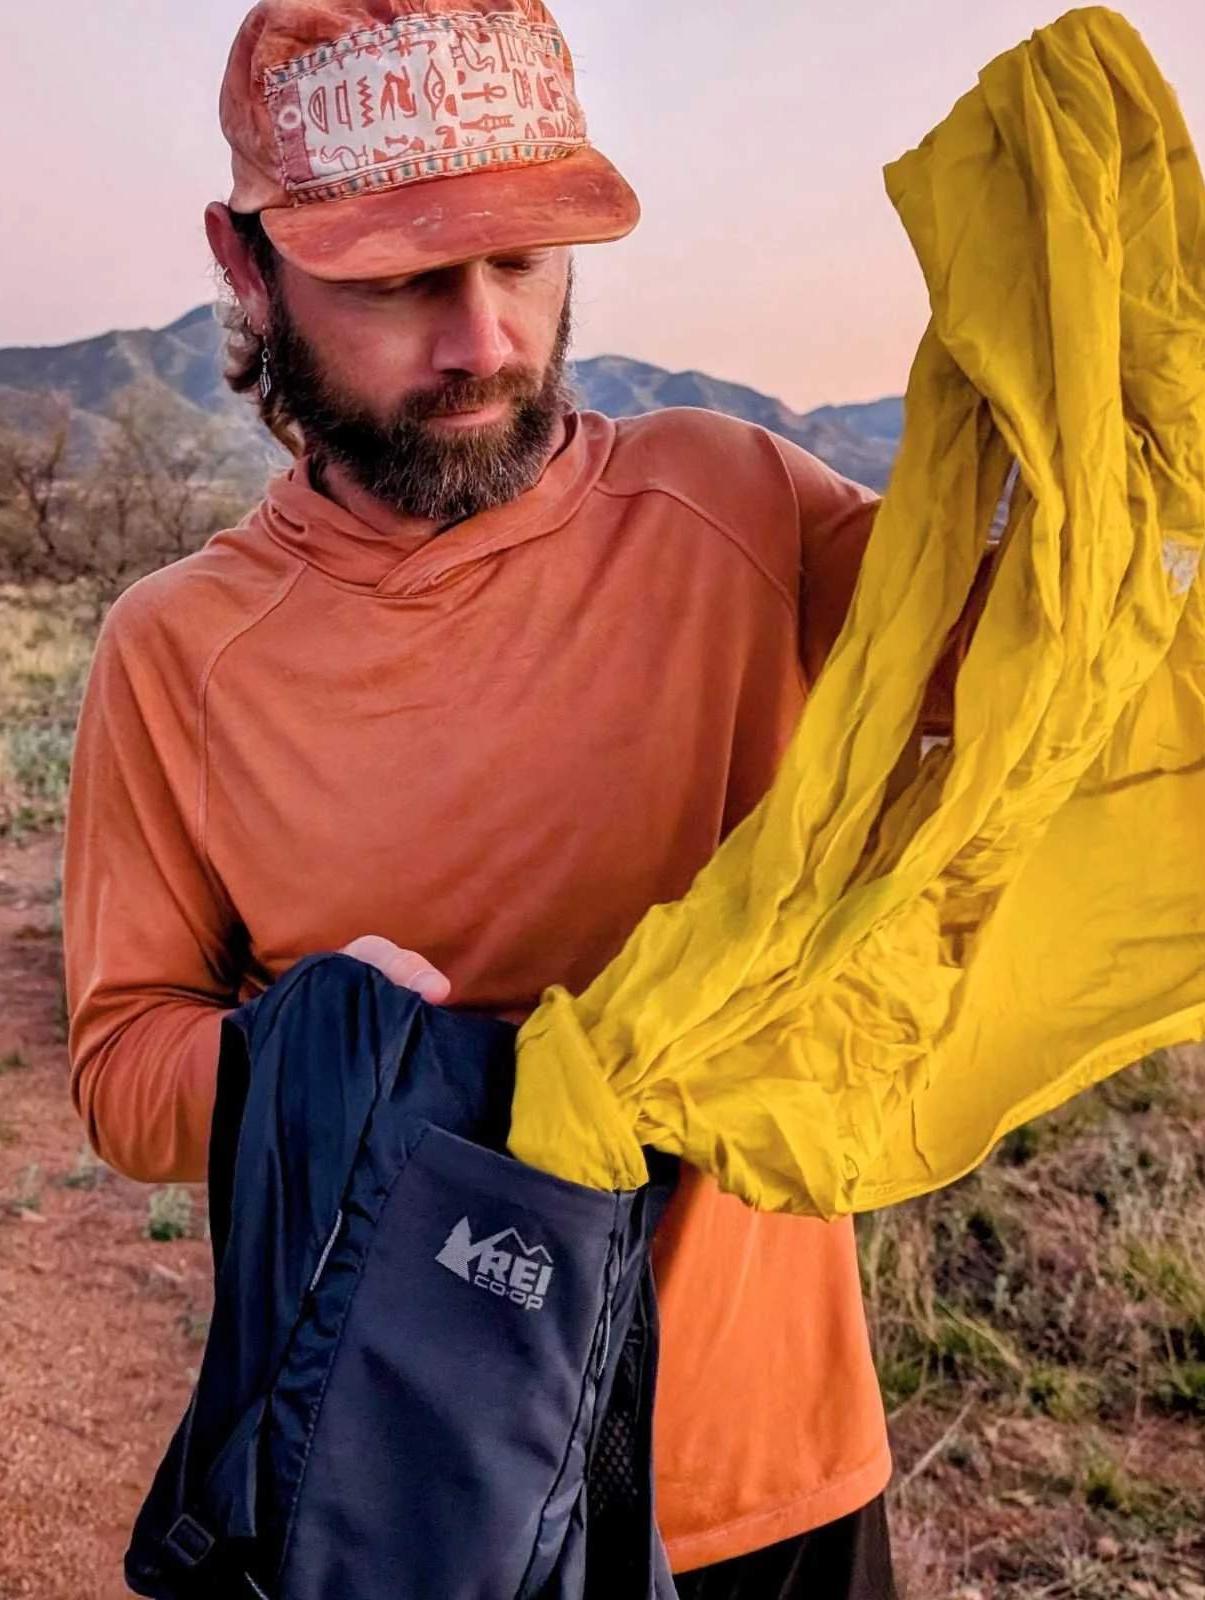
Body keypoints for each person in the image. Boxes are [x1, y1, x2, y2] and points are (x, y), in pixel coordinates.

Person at [64, 1, 901, 1593]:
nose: (485, 342)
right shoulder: (181, 651)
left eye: (522, 264)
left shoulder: (738, 504)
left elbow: (993, 668)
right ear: (247, 267)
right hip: (414, 1492)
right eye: (396, 283)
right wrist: (316, 1051)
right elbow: (123, 1069)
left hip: (770, 1476)